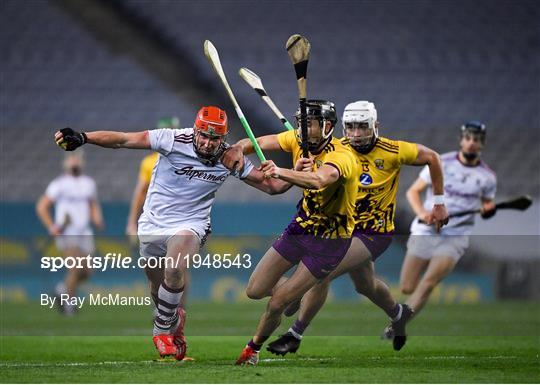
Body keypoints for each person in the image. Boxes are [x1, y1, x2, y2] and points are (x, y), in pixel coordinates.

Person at [54, 106, 291, 360]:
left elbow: (273, 187)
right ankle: (174, 319)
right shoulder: (172, 139)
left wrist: (294, 171)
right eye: (203, 135)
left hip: (191, 223)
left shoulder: (230, 157)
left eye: (215, 139)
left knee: (176, 267)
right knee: (158, 291)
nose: (208, 143)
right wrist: (84, 137)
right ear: (195, 130)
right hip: (153, 224)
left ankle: (161, 329)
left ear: (223, 138)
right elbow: (123, 139)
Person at [262, 101, 448, 354]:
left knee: (322, 274)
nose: (356, 134)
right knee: (366, 285)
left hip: (373, 232)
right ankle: (398, 313)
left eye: (363, 127)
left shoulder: (394, 150)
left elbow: (433, 158)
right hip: (343, 227)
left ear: (375, 126)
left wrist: (438, 202)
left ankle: (294, 334)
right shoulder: (337, 151)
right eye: (350, 128)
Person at [223, 100, 360, 366]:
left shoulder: (343, 155)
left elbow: (320, 179)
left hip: (330, 241)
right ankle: (292, 292)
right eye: (301, 123)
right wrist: (238, 148)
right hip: (300, 228)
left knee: (277, 304)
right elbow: (260, 142)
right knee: (254, 290)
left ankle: (253, 349)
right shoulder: (298, 139)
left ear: (328, 126)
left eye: (309, 124)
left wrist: (281, 172)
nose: (302, 129)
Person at [384, 121, 496, 337]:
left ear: (482, 144)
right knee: (407, 287)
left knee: (428, 283)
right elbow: (413, 192)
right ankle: (403, 314)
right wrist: (423, 214)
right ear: (462, 140)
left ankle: (398, 325)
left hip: (455, 236)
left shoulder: (487, 177)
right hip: (426, 230)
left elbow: (487, 205)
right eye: (468, 138)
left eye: (477, 140)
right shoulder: (441, 162)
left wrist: (487, 209)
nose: (472, 143)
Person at [36, 151, 104, 315]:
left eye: (77, 159)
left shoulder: (89, 183)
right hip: (67, 231)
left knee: (87, 272)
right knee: (75, 268)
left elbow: (92, 203)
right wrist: (51, 226)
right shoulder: (59, 184)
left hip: (84, 231)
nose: (74, 162)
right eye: (71, 159)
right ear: (65, 163)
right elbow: (42, 206)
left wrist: (97, 218)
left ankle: (61, 289)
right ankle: (69, 305)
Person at [125, 116, 180, 238]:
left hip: (180, 220)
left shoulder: (186, 159)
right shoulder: (149, 162)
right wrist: (132, 223)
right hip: (156, 220)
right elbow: (140, 193)